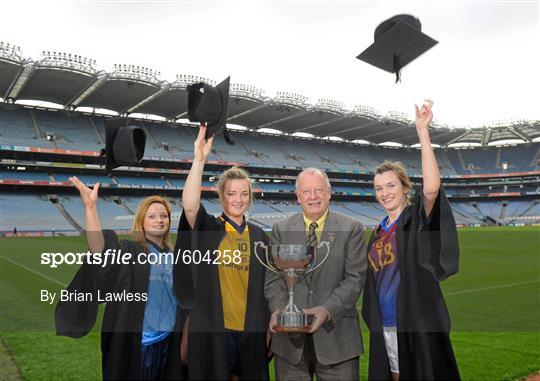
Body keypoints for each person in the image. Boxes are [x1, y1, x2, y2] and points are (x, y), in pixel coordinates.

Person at [55, 176, 193, 380]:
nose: (159, 220)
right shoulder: (129, 251)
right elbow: (100, 251)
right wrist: (91, 209)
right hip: (139, 346)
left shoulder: (178, 258)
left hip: (169, 345)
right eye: (152, 216)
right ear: (142, 222)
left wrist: (184, 344)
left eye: (163, 216)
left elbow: (189, 305)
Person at [361, 101, 460, 380]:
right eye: (379, 188)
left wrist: (422, 132)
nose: (385, 193)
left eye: (391, 185)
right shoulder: (378, 231)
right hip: (387, 323)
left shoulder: (414, 219)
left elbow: (431, 190)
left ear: (404, 187)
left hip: (416, 322)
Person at [176, 125, 270, 380]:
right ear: (221, 196)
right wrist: (199, 160)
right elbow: (190, 206)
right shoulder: (211, 227)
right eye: (231, 193)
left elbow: (269, 289)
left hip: (252, 330)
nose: (238, 199)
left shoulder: (261, 237)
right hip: (216, 329)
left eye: (244, 193)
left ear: (250, 197)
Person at [265, 167, 367, 381]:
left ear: (329, 192)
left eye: (319, 190)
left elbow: (355, 280)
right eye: (306, 191)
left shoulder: (352, 228)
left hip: (337, 339)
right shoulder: (280, 229)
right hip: (289, 344)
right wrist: (279, 311)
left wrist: (326, 310)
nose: (313, 196)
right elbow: (273, 280)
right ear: (298, 196)